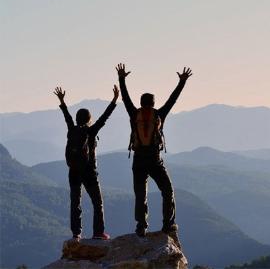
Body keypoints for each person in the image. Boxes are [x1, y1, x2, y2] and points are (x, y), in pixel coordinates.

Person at [115, 63, 193, 238]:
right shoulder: (159, 114)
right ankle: (168, 225)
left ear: (141, 103)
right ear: (153, 103)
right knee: (167, 190)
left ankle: (141, 227)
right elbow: (173, 99)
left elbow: (125, 98)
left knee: (140, 194)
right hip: (155, 160)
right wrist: (182, 82)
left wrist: (121, 79)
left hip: (138, 160)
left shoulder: (134, 114)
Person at [54, 85, 119, 240]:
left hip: (74, 171)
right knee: (97, 202)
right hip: (89, 172)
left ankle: (76, 234)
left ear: (77, 119)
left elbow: (67, 117)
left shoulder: (72, 129)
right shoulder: (91, 131)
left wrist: (62, 101)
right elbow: (104, 117)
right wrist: (115, 100)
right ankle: (98, 233)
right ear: (90, 119)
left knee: (75, 203)